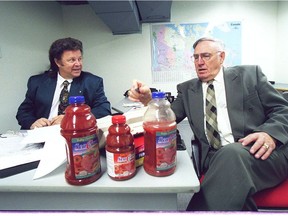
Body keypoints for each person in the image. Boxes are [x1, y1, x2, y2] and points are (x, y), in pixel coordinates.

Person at [128, 37, 288, 211]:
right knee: (234, 189)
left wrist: (269, 134)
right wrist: (149, 100)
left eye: (206, 56)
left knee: (232, 154)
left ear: (221, 57)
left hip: (260, 152)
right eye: (195, 57)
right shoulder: (187, 89)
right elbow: (168, 116)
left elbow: (283, 110)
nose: (200, 62)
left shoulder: (250, 76)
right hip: (214, 159)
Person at [16, 37, 111, 130]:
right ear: (58, 62)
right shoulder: (37, 82)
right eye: (72, 60)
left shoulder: (92, 82)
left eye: (80, 59)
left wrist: (71, 118)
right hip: (43, 133)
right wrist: (33, 122)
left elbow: (103, 109)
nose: (78, 64)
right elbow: (23, 112)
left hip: (75, 133)